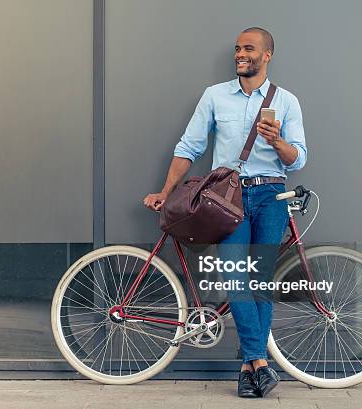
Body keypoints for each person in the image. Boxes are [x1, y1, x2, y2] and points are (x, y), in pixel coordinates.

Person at [143, 27, 307, 398]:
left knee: (260, 281)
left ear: (267, 55)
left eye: (248, 48)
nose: (240, 54)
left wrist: (276, 141)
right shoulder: (215, 96)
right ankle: (259, 363)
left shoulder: (287, 102)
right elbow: (190, 146)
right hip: (226, 198)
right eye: (237, 49)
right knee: (236, 279)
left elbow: (299, 158)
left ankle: (249, 373)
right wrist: (165, 192)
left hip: (270, 196)